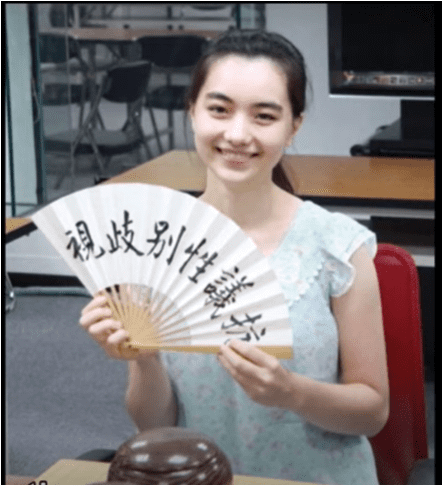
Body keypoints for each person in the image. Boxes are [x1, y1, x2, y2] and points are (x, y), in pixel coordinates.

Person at [79, 29, 389, 484]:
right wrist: (143, 358)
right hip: (196, 477)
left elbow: (373, 413)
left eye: (264, 116)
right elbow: (153, 424)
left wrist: (291, 393)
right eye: (219, 110)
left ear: (294, 124)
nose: (237, 134)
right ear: (192, 111)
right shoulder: (153, 249)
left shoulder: (337, 246)